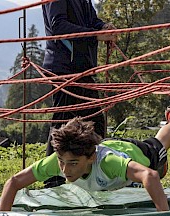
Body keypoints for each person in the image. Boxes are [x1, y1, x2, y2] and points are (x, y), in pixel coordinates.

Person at [0, 106, 170, 212]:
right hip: (109, 160)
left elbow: (151, 176)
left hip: (134, 152)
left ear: (91, 158)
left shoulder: (107, 163)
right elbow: (14, 182)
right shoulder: (57, 161)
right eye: (62, 161)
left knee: (160, 145)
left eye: (73, 163)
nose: (65, 170)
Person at [42, 0, 117, 188]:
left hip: (81, 67)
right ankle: (53, 181)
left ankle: (93, 173)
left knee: (94, 121)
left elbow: (91, 19)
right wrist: (95, 35)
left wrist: (102, 27)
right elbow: (58, 26)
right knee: (63, 121)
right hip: (65, 67)